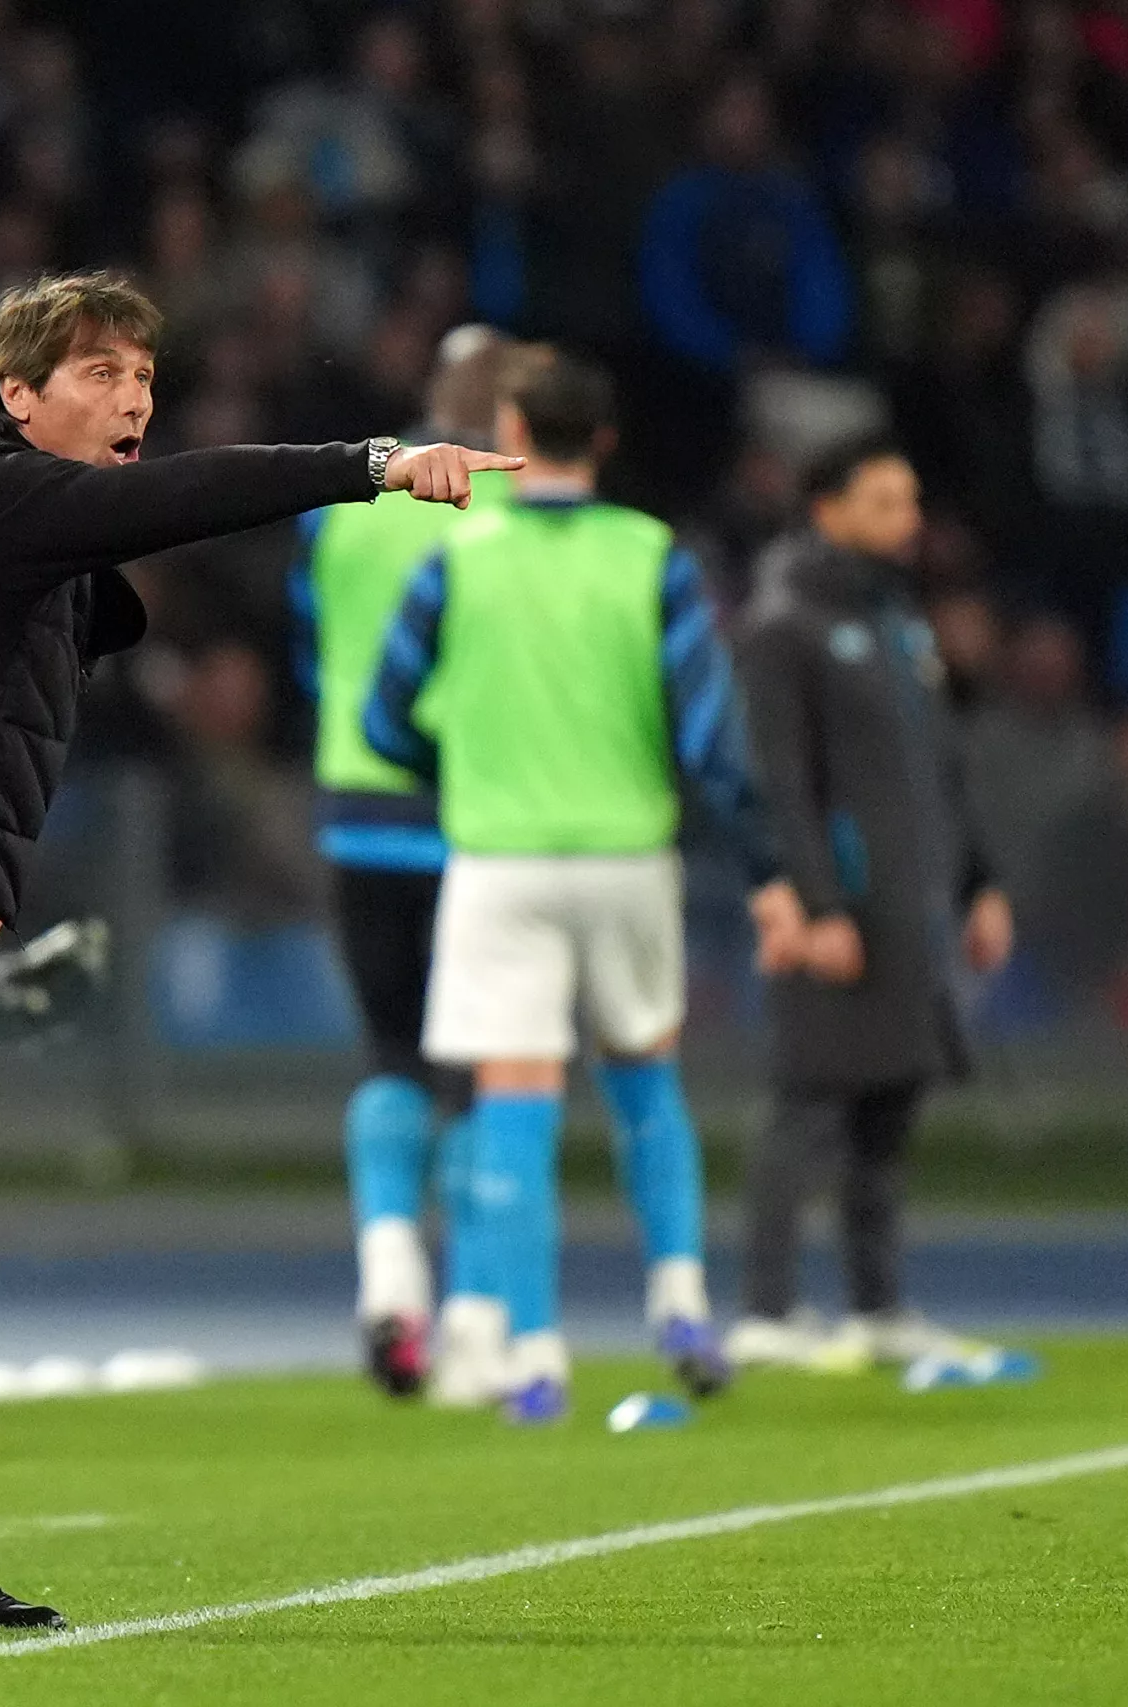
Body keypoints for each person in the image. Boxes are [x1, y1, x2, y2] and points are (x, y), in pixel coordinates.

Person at [0, 270, 516, 1635]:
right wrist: (369, 465)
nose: (135, 400)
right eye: (102, 373)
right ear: (15, 395)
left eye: (145, 378)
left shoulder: (21, 529)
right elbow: (179, 500)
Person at [367, 348, 802, 1423]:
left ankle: (536, 1354)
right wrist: (764, 866)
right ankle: (681, 1303)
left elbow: (385, 718)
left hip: (500, 860)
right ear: (604, 439)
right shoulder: (653, 557)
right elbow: (710, 736)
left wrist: (464, 770)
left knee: (515, 1101)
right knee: (645, 1080)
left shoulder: (456, 560)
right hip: (626, 857)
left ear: (512, 429)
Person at [728, 439, 1016, 1372]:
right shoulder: (784, 622)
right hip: (845, 903)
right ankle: (767, 1309)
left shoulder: (897, 618)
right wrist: (816, 902)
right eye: (886, 501)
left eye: (911, 499)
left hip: (913, 902)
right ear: (828, 508)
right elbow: (779, 780)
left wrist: (978, 881)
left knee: (892, 1102)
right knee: (810, 1101)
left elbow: (942, 767)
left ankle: (876, 1303)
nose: (908, 519)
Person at [286, 323, 514, 1399]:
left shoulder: (343, 505)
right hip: (475, 817)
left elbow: (310, 647)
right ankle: (472, 1315)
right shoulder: (507, 509)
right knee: (477, 1070)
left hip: (359, 817)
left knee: (389, 1054)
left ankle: (388, 1287)